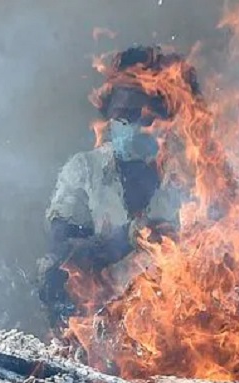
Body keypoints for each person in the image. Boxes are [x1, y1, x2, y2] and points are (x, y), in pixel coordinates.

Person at [37, 46, 199, 328]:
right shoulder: (85, 171)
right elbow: (61, 261)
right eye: (124, 117)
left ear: (166, 123)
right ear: (110, 118)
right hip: (100, 328)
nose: (133, 126)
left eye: (145, 118)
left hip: (178, 329)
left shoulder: (191, 176)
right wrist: (129, 239)